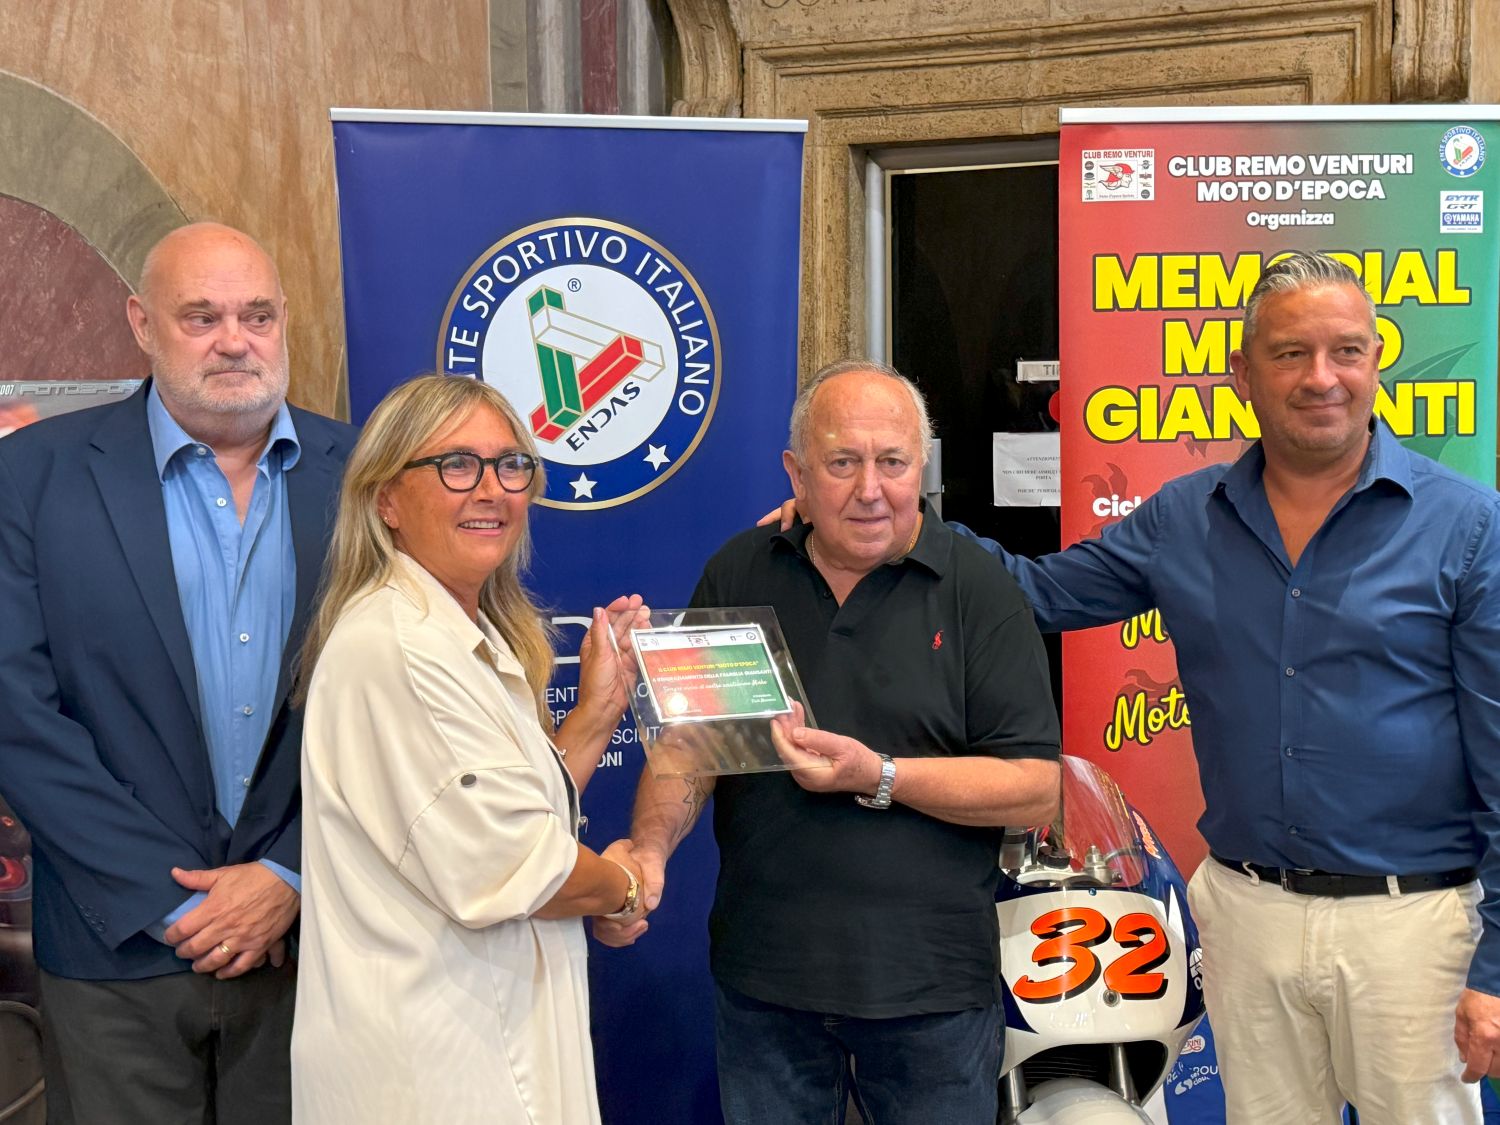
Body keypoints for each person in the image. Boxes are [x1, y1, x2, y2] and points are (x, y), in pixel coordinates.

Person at [772, 253, 1500, 1122]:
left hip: (1413, 928)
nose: (1321, 377)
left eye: (1346, 350)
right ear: (1242, 374)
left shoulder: (1466, 524)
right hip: (1247, 917)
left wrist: (1494, 970)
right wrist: (888, 520)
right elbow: (1032, 591)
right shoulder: (1186, 517)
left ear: (1376, 360)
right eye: (1290, 353)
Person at [596, 361, 1061, 1124]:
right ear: (798, 474)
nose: (870, 489)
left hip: (931, 996)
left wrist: (879, 774)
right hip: (764, 989)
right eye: (842, 463)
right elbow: (692, 745)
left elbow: (1034, 788)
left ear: (921, 466)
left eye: (893, 462)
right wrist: (648, 849)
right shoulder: (742, 569)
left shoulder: (980, 589)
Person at [0, 222, 357, 1123]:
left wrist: (289, 873)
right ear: (141, 324)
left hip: (315, 940)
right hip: (115, 948)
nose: (235, 341)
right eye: (201, 317)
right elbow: (14, 710)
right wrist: (165, 899)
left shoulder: (367, 476)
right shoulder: (29, 475)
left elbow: (397, 712)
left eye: (257, 316)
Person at [290, 374, 649, 1125]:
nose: (491, 490)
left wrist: (595, 714)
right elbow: (523, 869)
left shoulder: (459, 633)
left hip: (479, 1053)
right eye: (456, 465)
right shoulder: (401, 649)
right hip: (440, 1075)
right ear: (385, 500)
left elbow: (508, 816)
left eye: (510, 464)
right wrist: (625, 885)